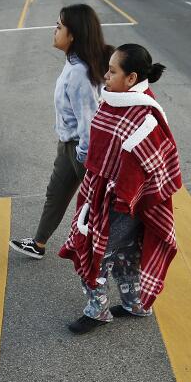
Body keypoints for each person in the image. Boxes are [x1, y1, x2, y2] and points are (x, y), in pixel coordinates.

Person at [58, 43, 182, 335]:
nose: (106, 75)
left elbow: (156, 158)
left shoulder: (145, 115)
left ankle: (98, 310)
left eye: (113, 71)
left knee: (94, 251)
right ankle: (134, 303)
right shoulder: (114, 100)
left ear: (131, 78)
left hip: (125, 203)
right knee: (125, 252)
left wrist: (125, 197)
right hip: (103, 195)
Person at [10, 4, 112, 259]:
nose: (54, 30)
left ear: (73, 34)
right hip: (68, 147)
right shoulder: (74, 63)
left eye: (59, 26)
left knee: (96, 208)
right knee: (56, 194)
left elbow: (88, 120)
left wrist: (82, 157)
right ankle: (39, 243)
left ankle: (110, 257)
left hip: (80, 150)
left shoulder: (79, 72)